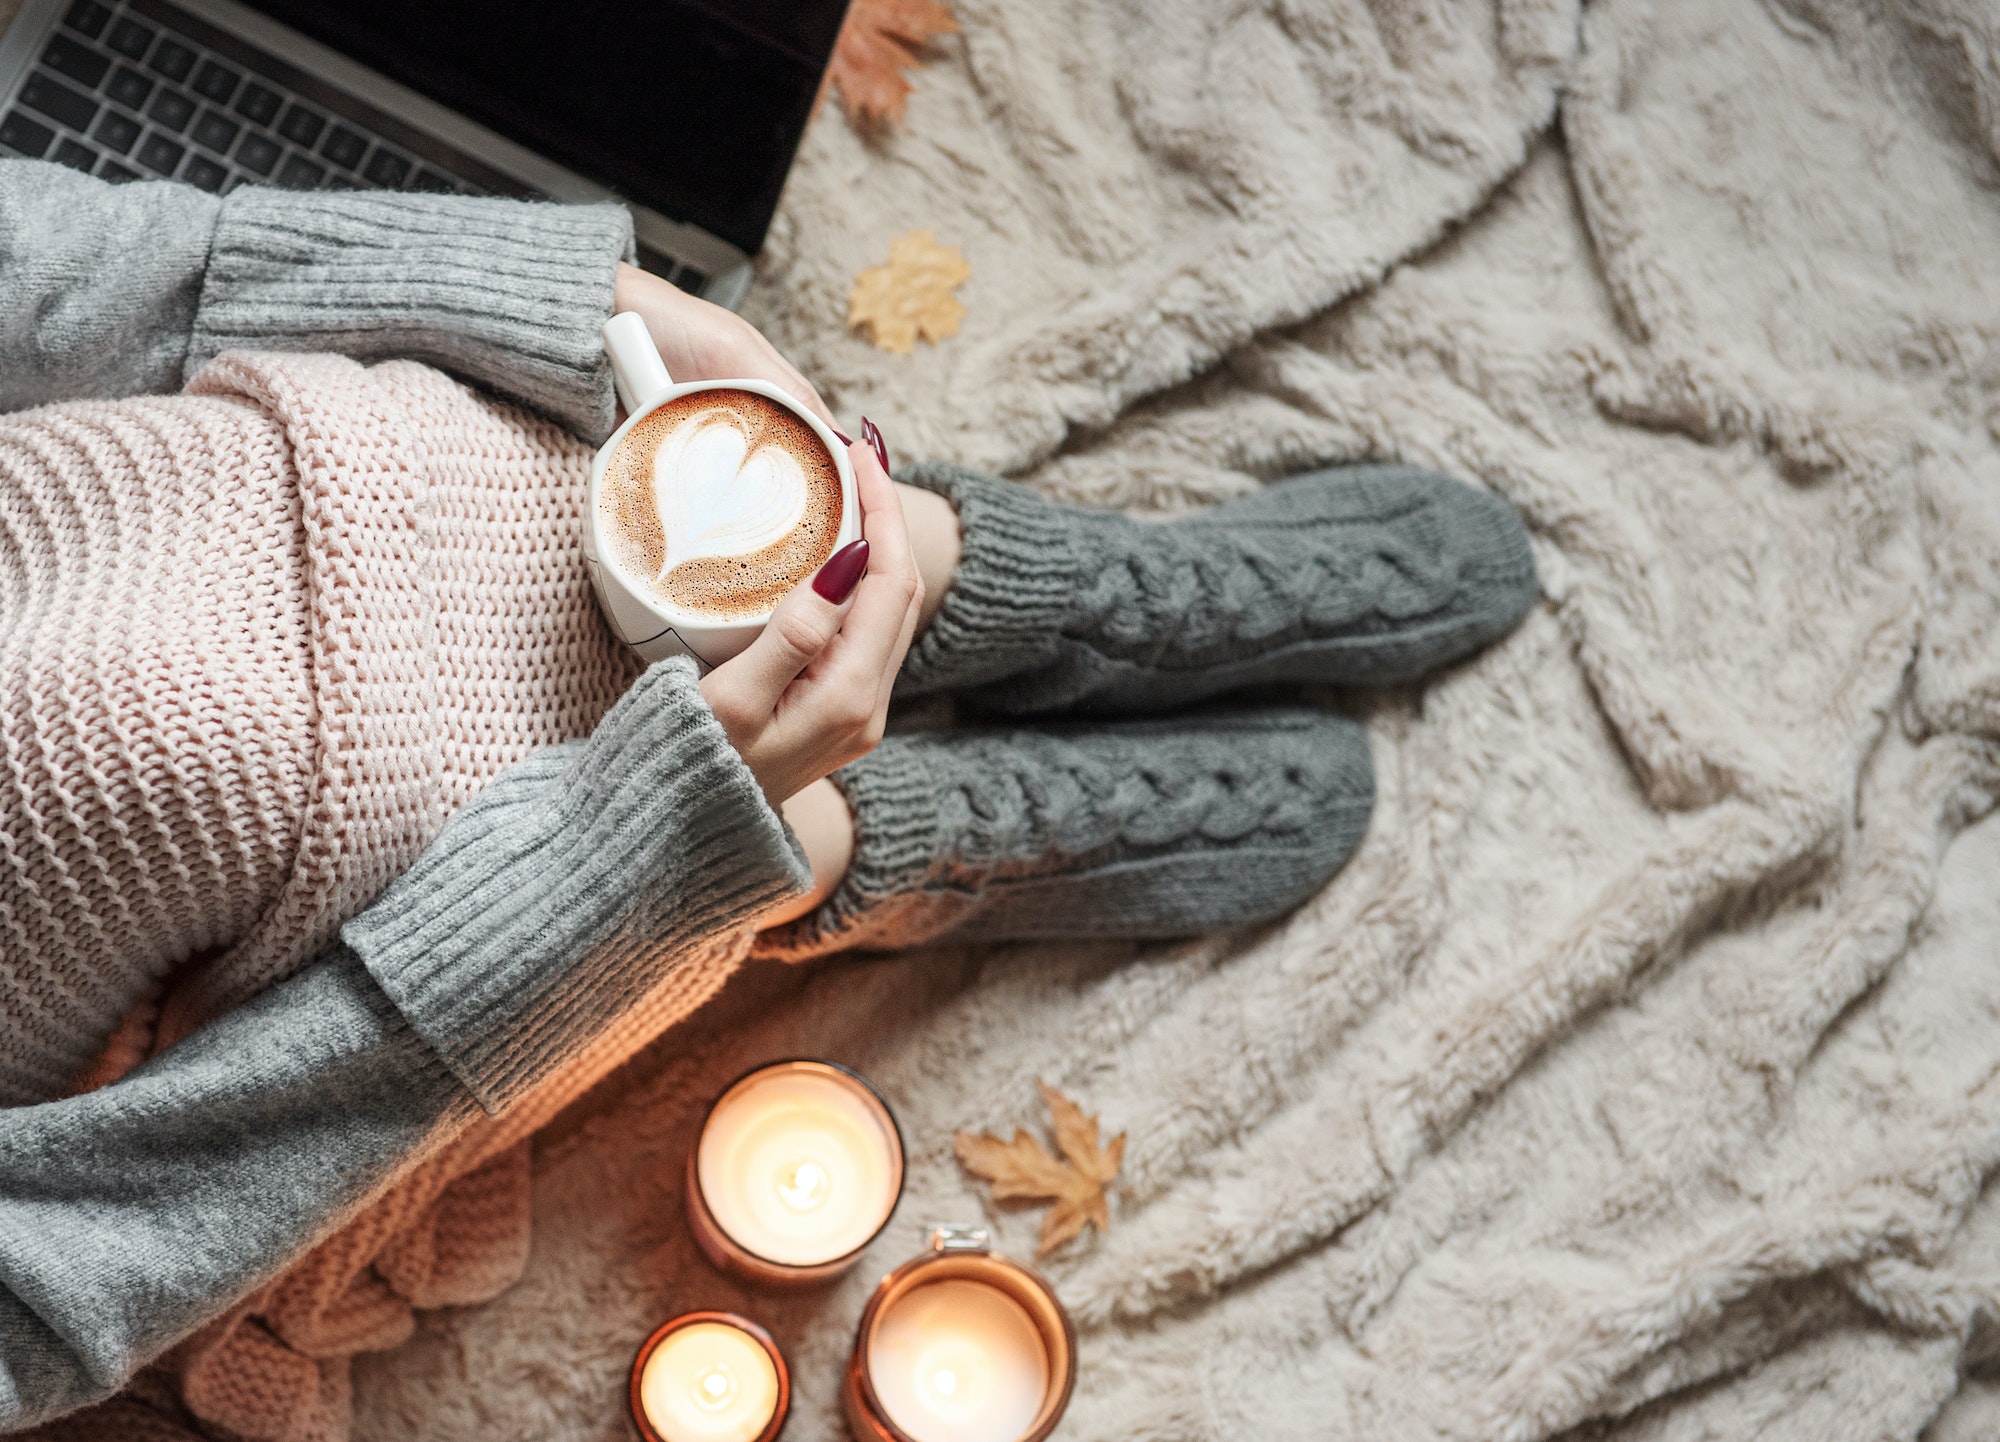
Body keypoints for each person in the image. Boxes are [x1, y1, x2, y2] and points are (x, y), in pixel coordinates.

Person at [0, 160, 1537, 1430]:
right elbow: (57, 1273)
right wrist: (627, 874)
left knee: (752, 525)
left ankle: (1021, 592)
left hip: (322, 466)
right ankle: (892, 845)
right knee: (709, 833)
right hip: (305, 943)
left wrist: (579, 308)